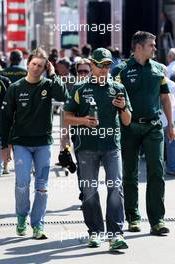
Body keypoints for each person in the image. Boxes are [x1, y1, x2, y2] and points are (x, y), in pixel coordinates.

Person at [64, 48, 132, 251]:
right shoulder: (79, 88)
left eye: (107, 65)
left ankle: (115, 235)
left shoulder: (118, 87)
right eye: (100, 65)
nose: (104, 69)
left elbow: (127, 121)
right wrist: (83, 120)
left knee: (115, 188)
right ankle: (95, 232)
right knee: (89, 190)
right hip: (87, 147)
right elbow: (66, 117)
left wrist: (122, 107)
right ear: (91, 65)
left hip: (112, 146)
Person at [0, 47, 68, 239]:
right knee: (22, 184)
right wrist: (4, 146)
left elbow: (63, 96)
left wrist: (53, 74)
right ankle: (21, 217)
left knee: (42, 186)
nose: (36, 68)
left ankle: (38, 224)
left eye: (41, 65)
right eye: (34, 64)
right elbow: (5, 119)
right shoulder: (16, 87)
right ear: (28, 64)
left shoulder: (48, 84)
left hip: (43, 144)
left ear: (46, 67)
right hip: (21, 143)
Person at [112, 31, 175, 236]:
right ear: (138, 47)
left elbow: (165, 98)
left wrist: (171, 125)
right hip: (129, 128)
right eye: (151, 45)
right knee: (129, 173)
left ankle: (157, 220)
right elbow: (111, 98)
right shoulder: (121, 69)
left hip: (154, 127)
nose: (155, 48)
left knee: (156, 171)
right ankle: (133, 217)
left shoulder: (158, 69)